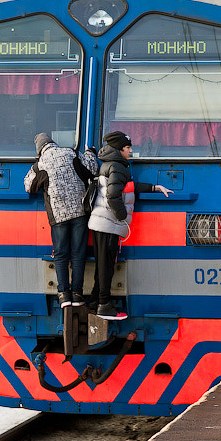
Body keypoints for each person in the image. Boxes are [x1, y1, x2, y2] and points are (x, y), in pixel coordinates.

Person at [87, 131, 173, 320]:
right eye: (128, 148)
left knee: (103, 265)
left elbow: (129, 186)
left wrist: (154, 187)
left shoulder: (111, 165)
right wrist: (122, 216)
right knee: (106, 266)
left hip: (102, 223)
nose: (131, 151)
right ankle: (104, 305)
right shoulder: (118, 167)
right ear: (119, 150)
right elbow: (112, 195)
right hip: (108, 224)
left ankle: (95, 301)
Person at [24, 133, 99, 309]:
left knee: (61, 254)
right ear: (53, 143)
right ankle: (78, 294)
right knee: (78, 253)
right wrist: (90, 153)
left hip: (58, 217)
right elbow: (92, 168)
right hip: (80, 212)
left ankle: (64, 294)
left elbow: (29, 186)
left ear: (40, 150)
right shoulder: (70, 153)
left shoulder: (41, 164)